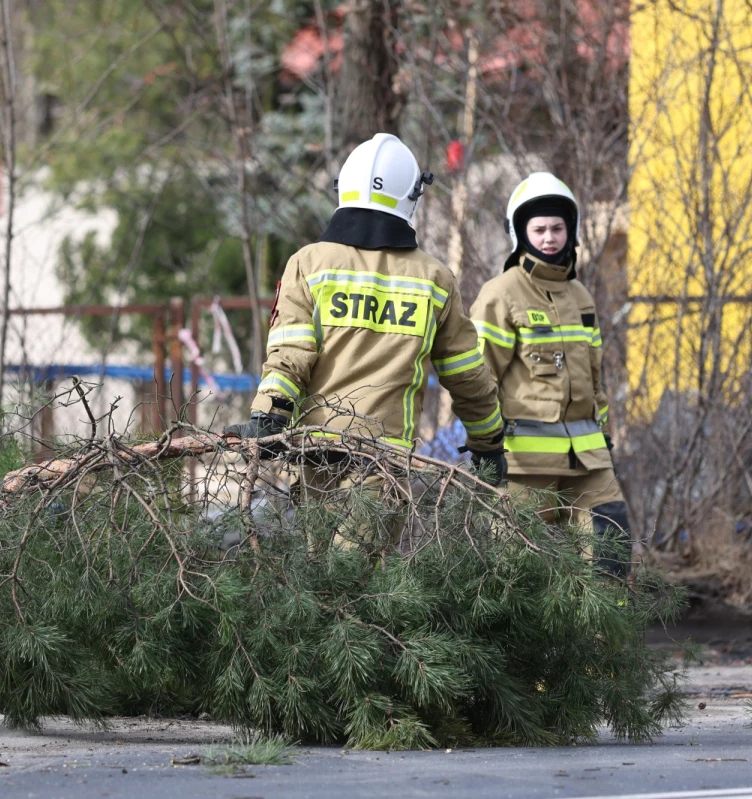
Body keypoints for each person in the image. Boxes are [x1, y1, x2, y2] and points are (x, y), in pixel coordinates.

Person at [224, 133, 507, 550]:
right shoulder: (434, 279)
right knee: (353, 580)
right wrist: (488, 445)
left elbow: (289, 356)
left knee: (315, 577)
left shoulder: (308, 263)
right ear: (412, 195)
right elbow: (466, 375)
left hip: (314, 452)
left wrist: (268, 419)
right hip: (385, 461)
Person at [468, 172, 632, 577]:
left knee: (609, 555)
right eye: (538, 228)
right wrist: (484, 447)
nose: (549, 237)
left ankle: (599, 641)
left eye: (557, 228)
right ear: (520, 233)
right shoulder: (501, 293)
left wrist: (605, 436)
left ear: (570, 230)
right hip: (523, 465)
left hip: (588, 459)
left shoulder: (581, 297)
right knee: (517, 573)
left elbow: (596, 380)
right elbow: (477, 376)